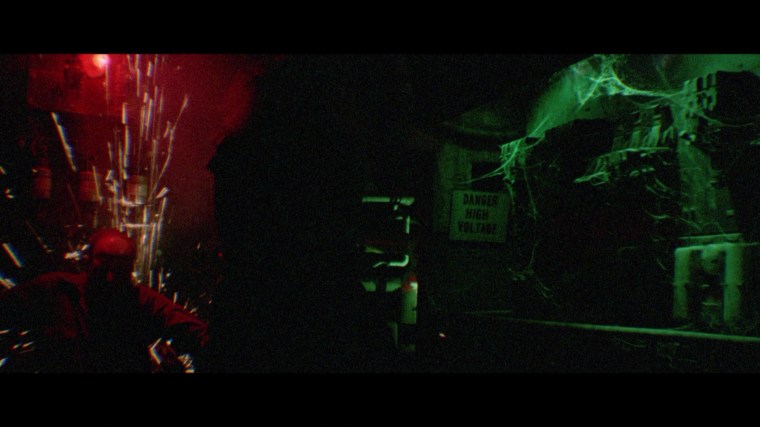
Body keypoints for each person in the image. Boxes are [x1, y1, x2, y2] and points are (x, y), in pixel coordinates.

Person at [0, 228, 208, 373]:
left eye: (119, 273)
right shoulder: (55, 289)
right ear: (87, 262)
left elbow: (199, 334)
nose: (110, 279)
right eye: (103, 270)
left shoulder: (142, 301)